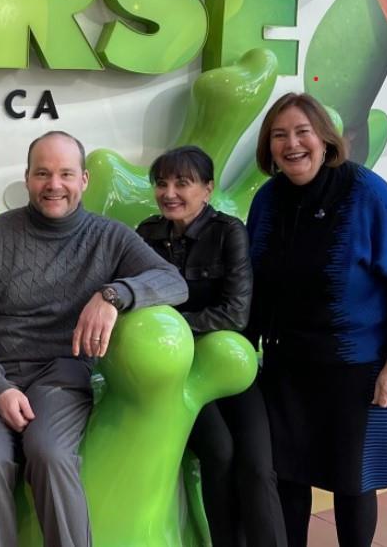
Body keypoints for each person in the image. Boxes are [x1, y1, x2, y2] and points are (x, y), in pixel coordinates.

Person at [0, 130, 188, 547]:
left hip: (59, 374)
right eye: (42, 173)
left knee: (51, 454)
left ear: (84, 179)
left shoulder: (109, 236)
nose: (54, 185)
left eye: (65, 174)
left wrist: (114, 295)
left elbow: (174, 282)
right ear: (27, 178)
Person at [247, 93, 387, 547]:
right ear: (269, 148)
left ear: (325, 139)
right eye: (279, 136)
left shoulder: (366, 193)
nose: (292, 144)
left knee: (352, 481)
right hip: (288, 367)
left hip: (358, 369)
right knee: (288, 475)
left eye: (302, 132)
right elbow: (257, 286)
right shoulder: (267, 201)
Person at [134, 145, 285, 547]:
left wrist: (173, 328)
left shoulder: (228, 231)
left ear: (207, 189)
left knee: (258, 466)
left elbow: (235, 313)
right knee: (219, 453)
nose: (169, 193)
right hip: (180, 372)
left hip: (230, 365)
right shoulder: (146, 234)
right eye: (161, 183)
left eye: (182, 183)